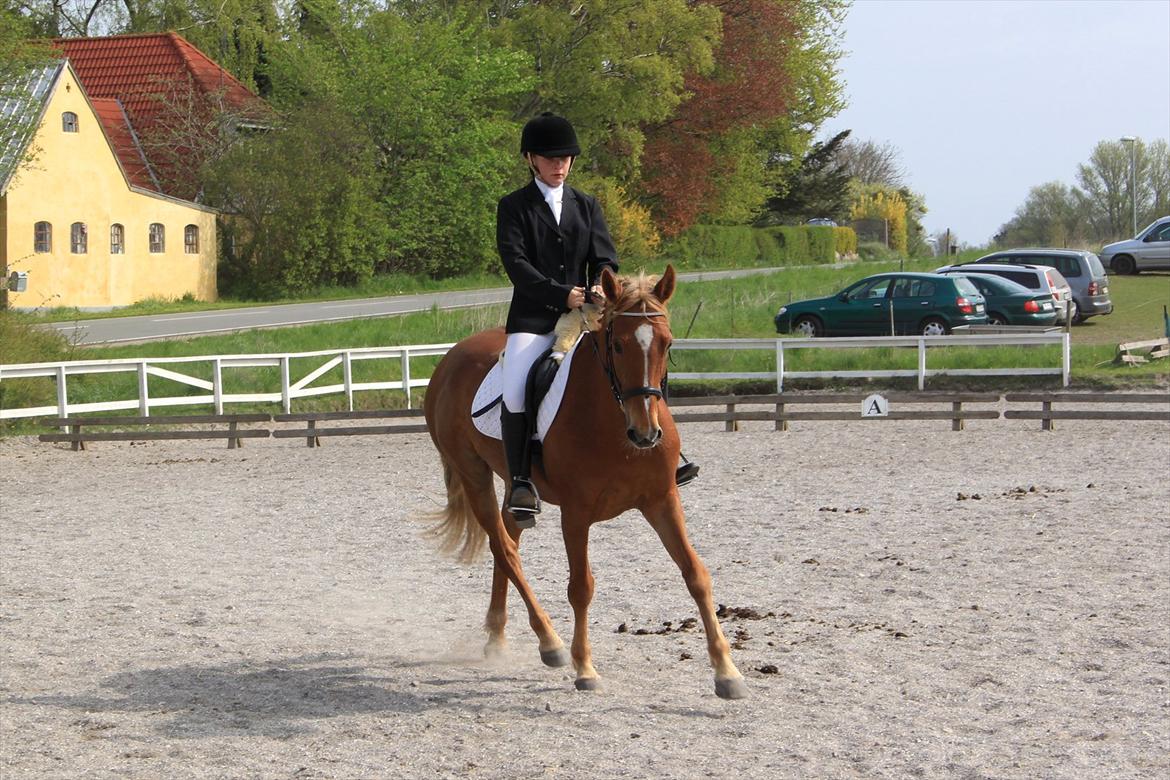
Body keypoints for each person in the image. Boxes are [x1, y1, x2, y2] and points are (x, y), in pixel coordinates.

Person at [496, 112, 697, 524]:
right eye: (551, 159)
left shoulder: (586, 205)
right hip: (534, 319)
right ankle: (521, 480)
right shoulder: (514, 207)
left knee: (639, 361)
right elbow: (516, 264)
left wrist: (602, 287)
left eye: (566, 158)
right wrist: (560, 293)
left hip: (588, 314)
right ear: (532, 159)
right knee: (516, 389)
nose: (559, 165)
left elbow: (604, 255)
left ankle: (666, 453)